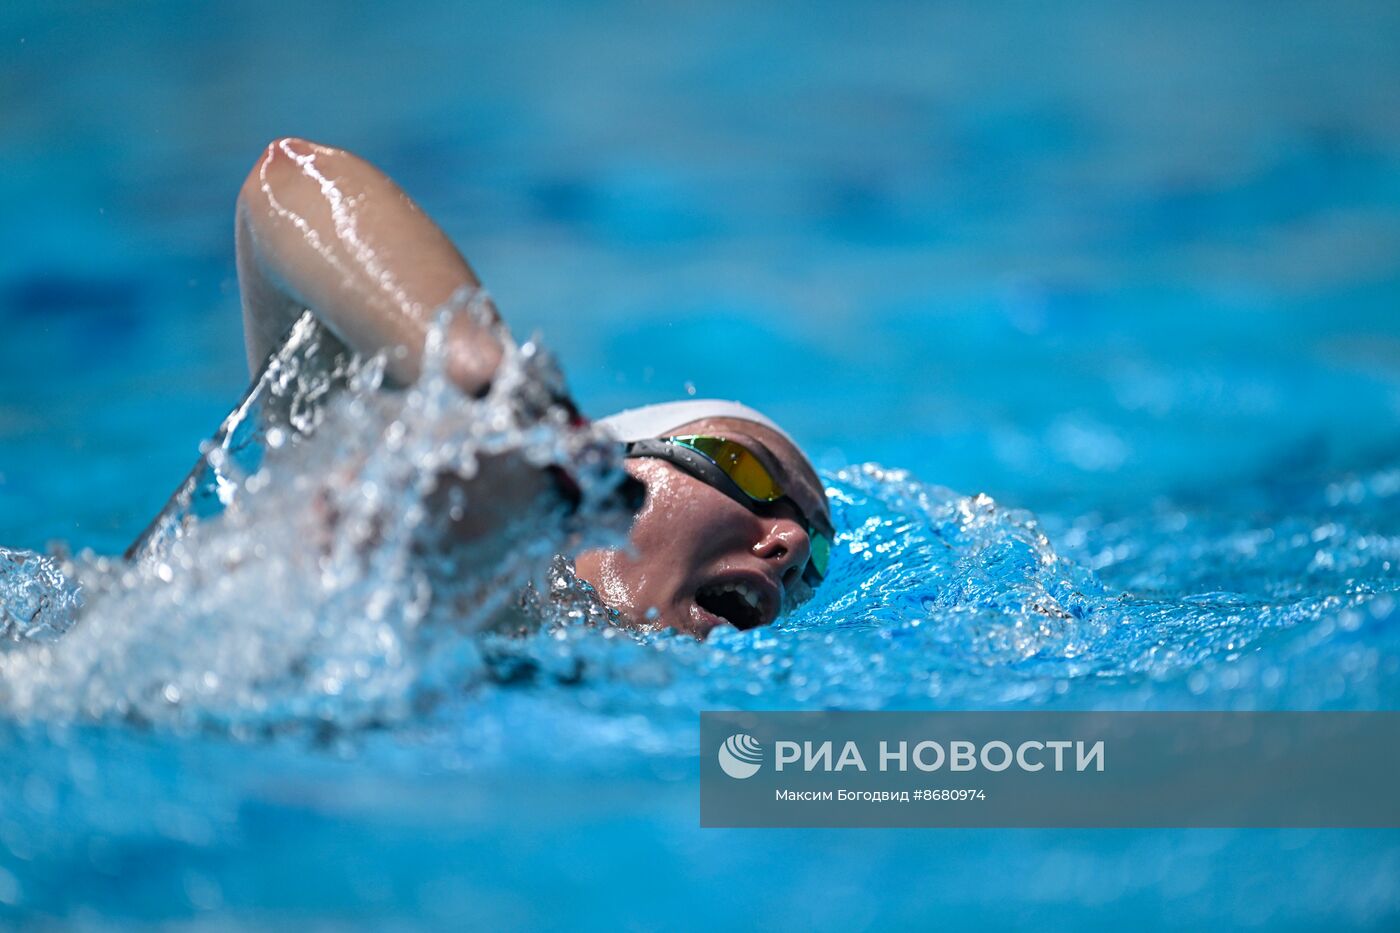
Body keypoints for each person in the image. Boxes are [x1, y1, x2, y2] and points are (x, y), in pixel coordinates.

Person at [222, 137, 833, 639]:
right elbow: (290, 185)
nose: (796, 543)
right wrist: (487, 389)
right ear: (601, 461)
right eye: (744, 470)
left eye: (818, 568)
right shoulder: (416, 548)